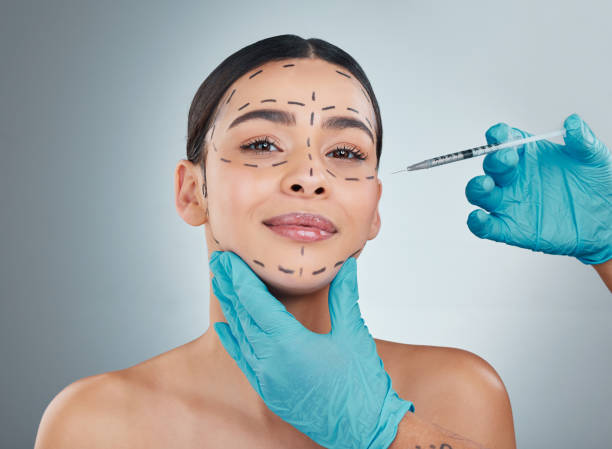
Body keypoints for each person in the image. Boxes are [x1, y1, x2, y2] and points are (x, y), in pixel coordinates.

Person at [34, 34, 611, 449]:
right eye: (262, 144)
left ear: (373, 209)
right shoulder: (93, 425)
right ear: (191, 192)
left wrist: (383, 432)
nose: (310, 176)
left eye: (344, 153)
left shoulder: (462, 394)